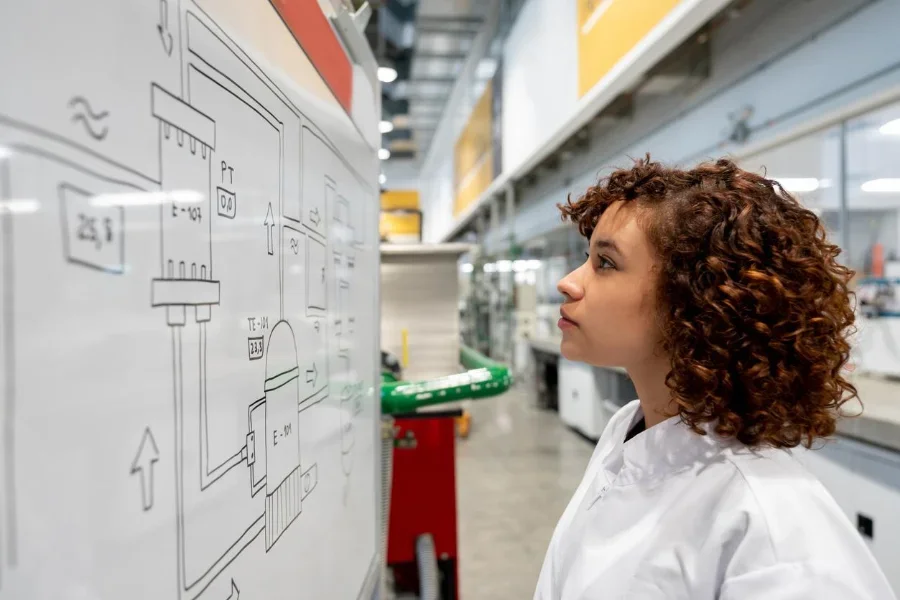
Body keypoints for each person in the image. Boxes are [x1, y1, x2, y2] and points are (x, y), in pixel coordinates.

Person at [535, 156, 895, 599]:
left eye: (605, 263)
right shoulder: (627, 432)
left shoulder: (771, 529)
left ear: (691, 299)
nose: (569, 283)